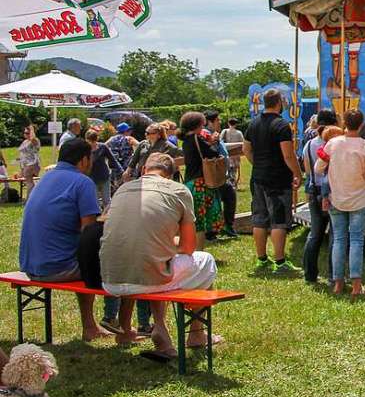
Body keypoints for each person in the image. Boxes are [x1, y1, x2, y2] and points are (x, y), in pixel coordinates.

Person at [100, 152, 220, 358]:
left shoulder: (123, 189)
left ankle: (159, 328)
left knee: (158, 260)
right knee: (205, 260)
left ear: (144, 171)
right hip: (148, 277)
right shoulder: (179, 191)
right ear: (171, 175)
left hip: (111, 279)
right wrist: (169, 243)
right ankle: (196, 333)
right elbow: (189, 246)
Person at [18, 138, 109, 341]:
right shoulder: (83, 182)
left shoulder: (46, 178)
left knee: (83, 258)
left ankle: (91, 326)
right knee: (120, 260)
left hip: (31, 267)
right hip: (58, 268)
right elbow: (89, 234)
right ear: (85, 160)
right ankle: (117, 323)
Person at [316, 109, 365, 297]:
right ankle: (357, 285)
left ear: (344, 122)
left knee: (339, 241)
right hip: (359, 198)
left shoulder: (333, 144)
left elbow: (319, 168)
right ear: (361, 124)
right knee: (357, 240)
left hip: (337, 197)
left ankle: (338, 283)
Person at [244, 88, 302, 275]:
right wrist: (297, 173)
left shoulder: (253, 124)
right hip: (277, 179)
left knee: (259, 219)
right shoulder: (281, 125)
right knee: (278, 221)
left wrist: (258, 164)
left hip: (257, 177)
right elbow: (288, 154)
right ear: (280, 102)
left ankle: (262, 259)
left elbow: (246, 150)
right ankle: (280, 261)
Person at [301, 109, 338, 284]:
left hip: (313, 190)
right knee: (335, 234)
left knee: (315, 234)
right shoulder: (335, 144)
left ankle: (309, 274)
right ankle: (333, 275)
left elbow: (307, 170)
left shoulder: (309, 144)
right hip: (333, 192)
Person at [180, 112, 223, 249]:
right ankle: (199, 251)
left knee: (194, 218)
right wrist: (215, 141)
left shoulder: (186, 139)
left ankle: (192, 249)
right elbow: (213, 153)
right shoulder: (197, 138)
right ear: (198, 124)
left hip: (189, 182)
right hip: (200, 183)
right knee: (200, 221)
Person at [204, 110, 238, 239]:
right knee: (214, 203)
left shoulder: (214, 134)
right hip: (213, 175)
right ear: (209, 122)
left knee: (229, 197)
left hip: (221, 175)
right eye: (217, 120)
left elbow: (223, 149)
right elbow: (210, 152)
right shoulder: (206, 135)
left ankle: (226, 226)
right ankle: (212, 232)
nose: (219, 122)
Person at [85, 130, 124, 209]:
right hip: (91, 179)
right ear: (86, 140)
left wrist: (121, 171)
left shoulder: (103, 147)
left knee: (107, 200)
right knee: (94, 202)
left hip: (104, 177)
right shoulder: (84, 150)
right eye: (90, 141)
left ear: (97, 139)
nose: (92, 143)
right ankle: (97, 218)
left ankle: (108, 218)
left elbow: (112, 159)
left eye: (94, 141)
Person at [105, 122, 136, 194]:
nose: (130, 132)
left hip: (115, 167)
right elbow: (140, 145)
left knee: (116, 188)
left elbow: (104, 146)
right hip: (127, 168)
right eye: (129, 131)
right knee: (127, 188)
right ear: (125, 131)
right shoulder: (128, 138)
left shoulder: (112, 139)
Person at [16, 125, 41, 198]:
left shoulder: (35, 140)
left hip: (32, 163)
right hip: (25, 164)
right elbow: (23, 152)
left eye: (27, 133)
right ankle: (33, 197)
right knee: (29, 182)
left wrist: (32, 129)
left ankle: (29, 199)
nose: (25, 134)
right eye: (24, 133)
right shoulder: (25, 141)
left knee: (29, 182)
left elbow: (32, 138)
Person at [222, 117, 245, 188]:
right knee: (234, 170)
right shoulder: (239, 133)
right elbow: (243, 142)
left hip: (227, 153)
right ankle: (233, 184)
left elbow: (220, 141)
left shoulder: (224, 131)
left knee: (228, 169)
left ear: (228, 123)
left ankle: (230, 184)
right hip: (236, 154)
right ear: (236, 124)